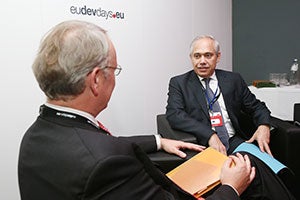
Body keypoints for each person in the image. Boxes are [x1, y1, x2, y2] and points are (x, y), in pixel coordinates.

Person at [17, 20, 256, 200]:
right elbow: (101, 152)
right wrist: (231, 188)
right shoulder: (107, 162)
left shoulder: (36, 135)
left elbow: (93, 143)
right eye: (114, 69)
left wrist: (159, 141)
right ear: (97, 79)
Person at [166, 35, 296, 199]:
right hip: (204, 146)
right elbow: (174, 114)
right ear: (191, 58)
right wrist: (210, 135)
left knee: (278, 174)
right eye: (197, 56)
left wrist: (263, 125)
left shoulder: (233, 80)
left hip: (235, 142)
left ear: (218, 57)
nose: (202, 61)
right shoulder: (179, 83)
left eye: (208, 55)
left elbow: (256, 106)